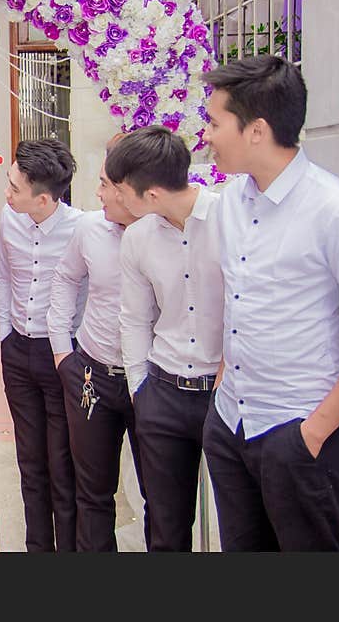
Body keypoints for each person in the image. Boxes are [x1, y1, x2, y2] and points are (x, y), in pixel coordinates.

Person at [200, 55, 339, 551]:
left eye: (216, 123)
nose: (207, 136)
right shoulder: (230, 203)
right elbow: (238, 299)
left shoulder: (333, 210)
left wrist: (313, 432)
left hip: (300, 433)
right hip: (231, 420)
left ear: (256, 130)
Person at [110, 125, 223, 551]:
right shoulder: (138, 238)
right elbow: (135, 318)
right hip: (163, 391)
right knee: (165, 526)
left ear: (150, 193)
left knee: (240, 521)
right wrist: (142, 390)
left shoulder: (229, 222)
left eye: (122, 189)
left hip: (226, 390)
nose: (118, 198)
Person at [48, 134, 149, 552]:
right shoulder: (90, 229)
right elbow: (65, 279)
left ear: (132, 189)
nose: (97, 192)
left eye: (106, 183)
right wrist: (62, 354)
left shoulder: (166, 234)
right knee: (93, 493)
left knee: (159, 496)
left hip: (151, 382)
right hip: (92, 376)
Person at [0, 138, 84, 552]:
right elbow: (3, 278)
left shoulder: (81, 227)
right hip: (18, 351)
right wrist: (4, 335)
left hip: (62, 355)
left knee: (62, 463)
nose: (7, 193)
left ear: (44, 198)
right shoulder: (8, 218)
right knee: (30, 462)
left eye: (15, 187)